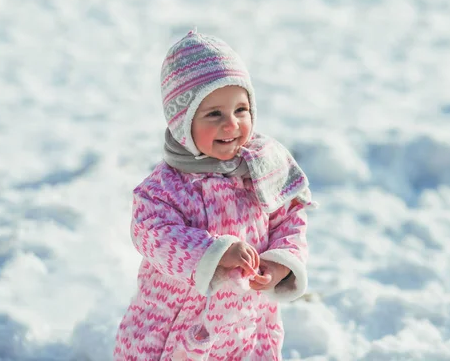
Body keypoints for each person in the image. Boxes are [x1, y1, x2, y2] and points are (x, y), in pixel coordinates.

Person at [114, 28, 316, 360]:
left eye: (241, 110)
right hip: (179, 325)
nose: (232, 124)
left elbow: (290, 218)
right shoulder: (164, 187)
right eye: (214, 114)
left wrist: (280, 263)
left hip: (248, 323)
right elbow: (153, 235)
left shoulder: (262, 167)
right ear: (182, 122)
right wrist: (215, 251)